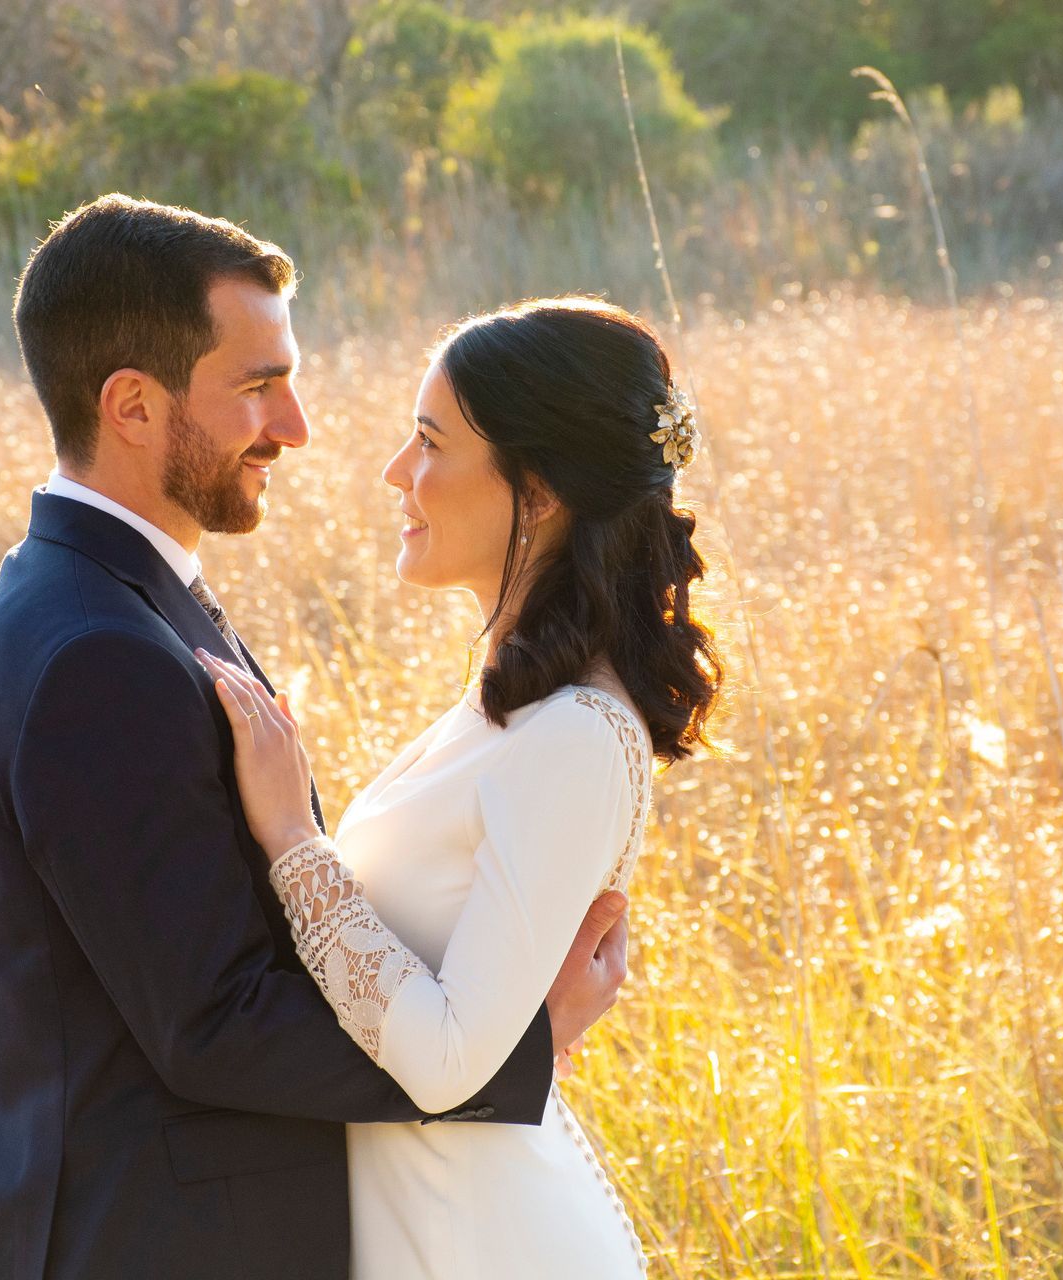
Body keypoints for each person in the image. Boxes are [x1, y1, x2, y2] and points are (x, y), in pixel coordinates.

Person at [0, 195, 631, 1280]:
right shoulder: (94, 652)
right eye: (259, 386)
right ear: (131, 404)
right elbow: (213, 1019)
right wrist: (508, 1051)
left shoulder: (114, 600)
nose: (297, 426)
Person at [199, 295, 723, 1278]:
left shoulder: (576, 734)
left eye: (431, 442)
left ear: (540, 488)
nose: (397, 472)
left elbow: (445, 1058)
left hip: (487, 1244)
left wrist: (291, 837)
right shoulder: (510, 706)